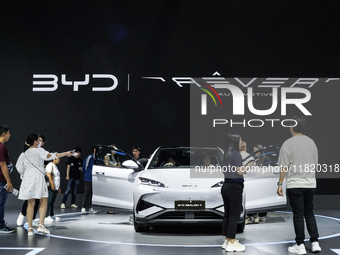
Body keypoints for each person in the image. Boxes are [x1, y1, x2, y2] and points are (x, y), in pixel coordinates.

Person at [277, 116, 321, 254]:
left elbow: (283, 166)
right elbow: (315, 165)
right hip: (310, 183)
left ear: (291, 126)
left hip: (295, 184)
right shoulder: (311, 143)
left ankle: (300, 245)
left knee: (298, 214)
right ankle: (315, 242)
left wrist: (280, 183)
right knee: (309, 213)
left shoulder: (288, 143)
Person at [16, 134, 72, 236]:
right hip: (38, 178)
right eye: (38, 140)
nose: (40, 142)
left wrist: (26, 174)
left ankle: (30, 229)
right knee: (43, 201)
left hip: (28, 177)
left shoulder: (23, 154)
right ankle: (41, 225)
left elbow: (19, 168)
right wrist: (65, 153)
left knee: (30, 203)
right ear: (35, 142)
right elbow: (50, 156)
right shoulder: (39, 151)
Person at [221, 132, 247, 252]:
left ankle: (227, 239)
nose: (241, 143)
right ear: (235, 142)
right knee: (234, 215)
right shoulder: (236, 154)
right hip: (234, 187)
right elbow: (239, 171)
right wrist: (249, 166)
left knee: (228, 214)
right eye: (240, 141)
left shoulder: (225, 155)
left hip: (226, 186)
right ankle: (232, 241)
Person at [16, 134, 45, 226]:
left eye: (41, 140)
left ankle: (32, 220)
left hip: (39, 179)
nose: (39, 142)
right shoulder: (27, 153)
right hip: (30, 178)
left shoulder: (42, 152)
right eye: (38, 140)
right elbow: (20, 167)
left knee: (37, 199)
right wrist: (25, 175)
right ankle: (22, 214)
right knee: (29, 199)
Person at [0, 125, 15, 233]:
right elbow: (3, 165)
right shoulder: (1, 147)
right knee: (1, 203)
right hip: (1, 180)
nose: (10, 135)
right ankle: (1, 226)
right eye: (9, 133)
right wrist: (8, 181)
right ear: (4, 134)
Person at [81, 145, 97, 215]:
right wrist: (87, 174)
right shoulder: (90, 157)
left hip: (95, 179)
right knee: (86, 193)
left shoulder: (98, 158)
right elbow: (84, 167)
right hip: (88, 178)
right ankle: (83, 208)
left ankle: (91, 208)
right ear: (93, 149)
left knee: (92, 194)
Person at [45, 158, 61, 222]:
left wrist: (58, 187)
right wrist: (52, 184)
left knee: (52, 201)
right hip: (52, 186)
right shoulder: (49, 165)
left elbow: (57, 177)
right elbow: (48, 175)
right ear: (53, 159)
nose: (59, 159)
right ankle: (46, 216)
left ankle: (51, 214)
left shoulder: (55, 166)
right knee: (49, 201)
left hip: (56, 186)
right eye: (57, 158)